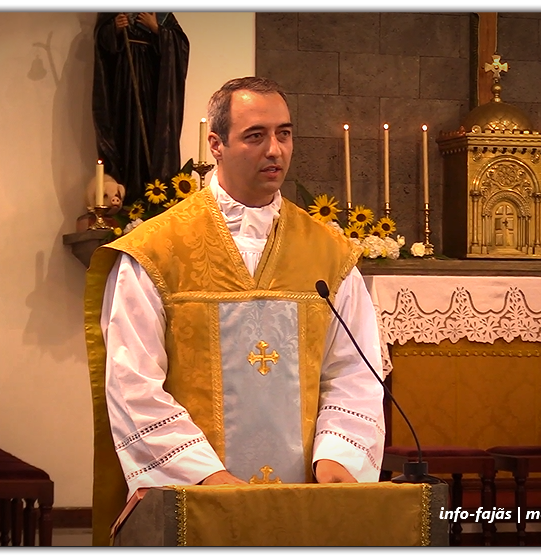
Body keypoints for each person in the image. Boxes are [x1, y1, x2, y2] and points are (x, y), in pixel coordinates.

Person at [84, 77, 385, 543]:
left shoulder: (330, 253)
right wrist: (205, 475)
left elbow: (354, 371)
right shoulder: (157, 251)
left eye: (284, 134)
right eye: (255, 135)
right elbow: (132, 384)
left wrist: (339, 456)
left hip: (303, 500)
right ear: (216, 144)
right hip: (198, 502)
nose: (275, 150)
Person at [92, 12, 189, 206]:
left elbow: (181, 46)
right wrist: (115, 29)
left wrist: (156, 29)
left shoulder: (159, 13)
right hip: (124, 85)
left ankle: (156, 195)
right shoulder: (114, 9)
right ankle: (127, 195)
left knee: (155, 137)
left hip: (154, 89)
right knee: (126, 134)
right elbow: (102, 42)